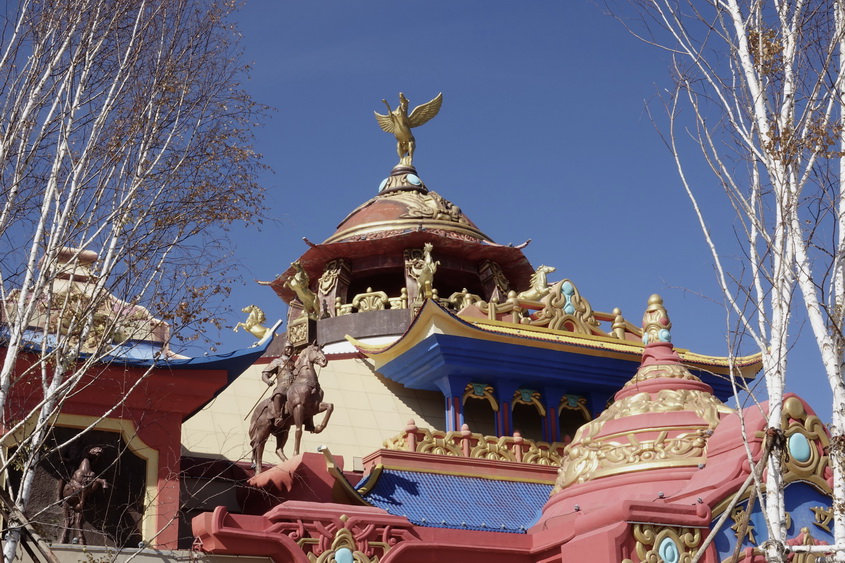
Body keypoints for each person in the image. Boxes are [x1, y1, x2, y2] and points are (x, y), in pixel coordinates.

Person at [262, 342, 296, 425]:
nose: (289, 350)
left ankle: (308, 421)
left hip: (294, 387)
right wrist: (268, 381)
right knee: (278, 395)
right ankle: (278, 417)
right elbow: (264, 374)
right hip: (283, 386)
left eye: (291, 348)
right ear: (283, 349)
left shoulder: (295, 363)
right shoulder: (277, 361)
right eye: (287, 348)